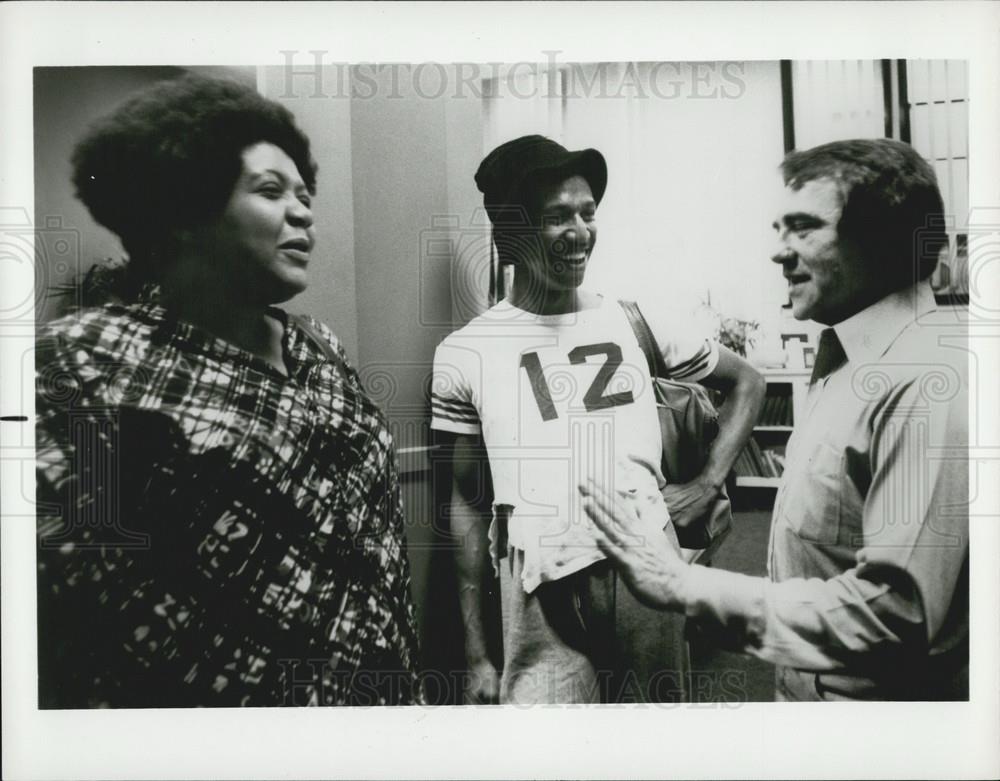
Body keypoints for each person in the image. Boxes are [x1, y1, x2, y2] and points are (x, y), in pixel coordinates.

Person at [35, 75, 423, 707]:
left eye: (305, 194)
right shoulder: (88, 359)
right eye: (271, 191)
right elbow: (62, 602)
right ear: (185, 214)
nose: (303, 212)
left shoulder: (317, 345)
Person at [581, 138, 969, 701]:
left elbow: (894, 616)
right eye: (778, 230)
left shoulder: (924, 382)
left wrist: (684, 585)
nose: (779, 252)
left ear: (883, 240)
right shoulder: (850, 357)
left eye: (804, 227)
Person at [430, 135, 765, 704]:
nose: (580, 232)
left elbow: (747, 383)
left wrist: (707, 483)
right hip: (538, 588)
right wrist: (475, 653)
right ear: (512, 236)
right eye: (557, 217)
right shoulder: (467, 352)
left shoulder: (636, 320)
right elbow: (464, 502)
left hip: (646, 570)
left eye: (588, 214)